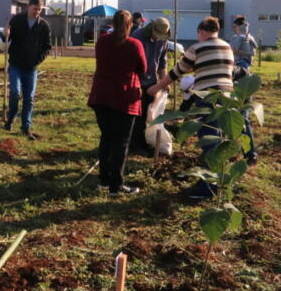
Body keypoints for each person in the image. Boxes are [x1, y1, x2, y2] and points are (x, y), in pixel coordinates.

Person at [148, 17, 234, 198]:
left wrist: (156, 87)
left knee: (209, 139)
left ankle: (208, 188)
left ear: (201, 32)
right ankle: (220, 181)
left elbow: (177, 71)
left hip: (208, 97)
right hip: (228, 98)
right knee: (219, 138)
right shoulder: (227, 47)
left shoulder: (198, 48)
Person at [87, 10, 147, 195]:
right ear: (130, 25)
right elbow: (143, 68)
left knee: (106, 137)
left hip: (101, 95)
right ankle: (116, 185)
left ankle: (104, 180)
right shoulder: (134, 44)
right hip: (123, 97)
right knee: (121, 142)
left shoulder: (102, 41)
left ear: (113, 23)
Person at [3, 0, 52, 140]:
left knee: (29, 98)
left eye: (39, 9)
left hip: (31, 68)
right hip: (16, 64)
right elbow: (7, 39)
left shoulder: (43, 26)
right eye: (35, 8)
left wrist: (38, 60)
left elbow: (47, 47)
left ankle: (26, 127)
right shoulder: (17, 20)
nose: (37, 12)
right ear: (28, 6)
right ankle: (10, 118)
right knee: (14, 92)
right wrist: (5, 34)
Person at [128, 17, 170, 153]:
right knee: (138, 116)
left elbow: (162, 62)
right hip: (137, 81)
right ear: (152, 28)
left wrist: (164, 81)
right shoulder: (138, 36)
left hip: (152, 82)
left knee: (150, 114)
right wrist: (137, 85)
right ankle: (135, 145)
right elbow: (132, 63)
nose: (159, 38)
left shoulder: (163, 40)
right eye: (157, 35)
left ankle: (146, 141)